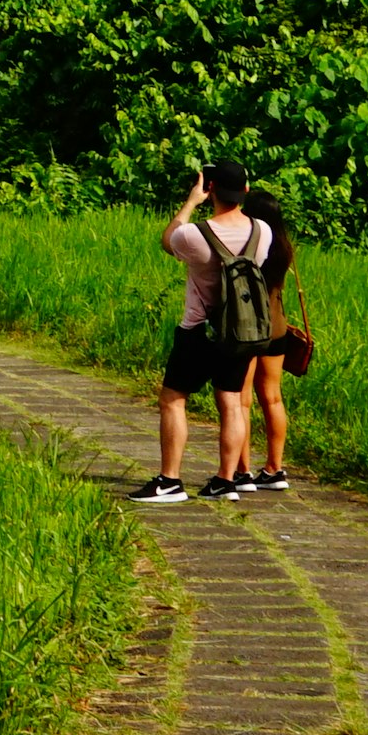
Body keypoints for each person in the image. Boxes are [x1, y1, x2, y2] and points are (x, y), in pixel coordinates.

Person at [128, 161, 265, 504]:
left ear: (212, 189)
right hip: (242, 331)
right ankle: (225, 480)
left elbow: (166, 240)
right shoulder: (263, 231)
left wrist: (190, 203)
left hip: (199, 330)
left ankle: (170, 481)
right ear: (245, 191)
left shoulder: (195, 234)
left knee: (173, 399)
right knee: (232, 402)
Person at [231, 182, 296, 493]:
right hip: (278, 326)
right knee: (272, 397)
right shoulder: (285, 247)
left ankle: (241, 471)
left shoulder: (250, 243)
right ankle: (275, 467)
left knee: (242, 401)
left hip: (248, 326)